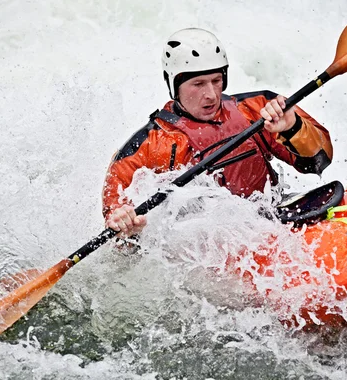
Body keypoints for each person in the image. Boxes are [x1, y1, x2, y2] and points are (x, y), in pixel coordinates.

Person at [103, 28, 333, 237]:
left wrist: (293, 129)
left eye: (216, 80)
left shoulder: (259, 109)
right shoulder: (150, 145)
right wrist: (127, 228)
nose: (211, 94)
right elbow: (121, 235)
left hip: (271, 220)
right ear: (174, 86)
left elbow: (318, 163)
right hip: (206, 249)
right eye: (198, 84)